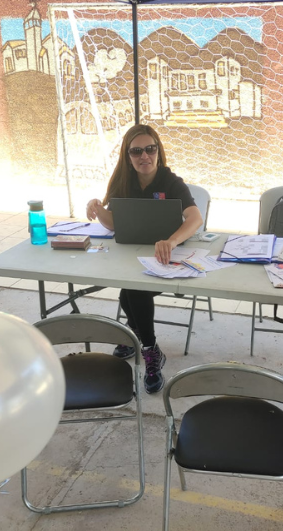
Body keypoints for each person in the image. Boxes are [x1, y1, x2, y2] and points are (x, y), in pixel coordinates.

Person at [86, 124, 202, 394]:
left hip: (169, 257)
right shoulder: (122, 181)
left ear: (158, 151)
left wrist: (171, 241)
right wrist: (97, 207)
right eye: (136, 151)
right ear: (128, 156)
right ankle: (137, 336)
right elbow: (114, 224)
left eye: (150, 149)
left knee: (132, 292)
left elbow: (195, 218)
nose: (144, 156)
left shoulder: (171, 181)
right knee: (130, 291)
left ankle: (148, 350)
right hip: (132, 254)